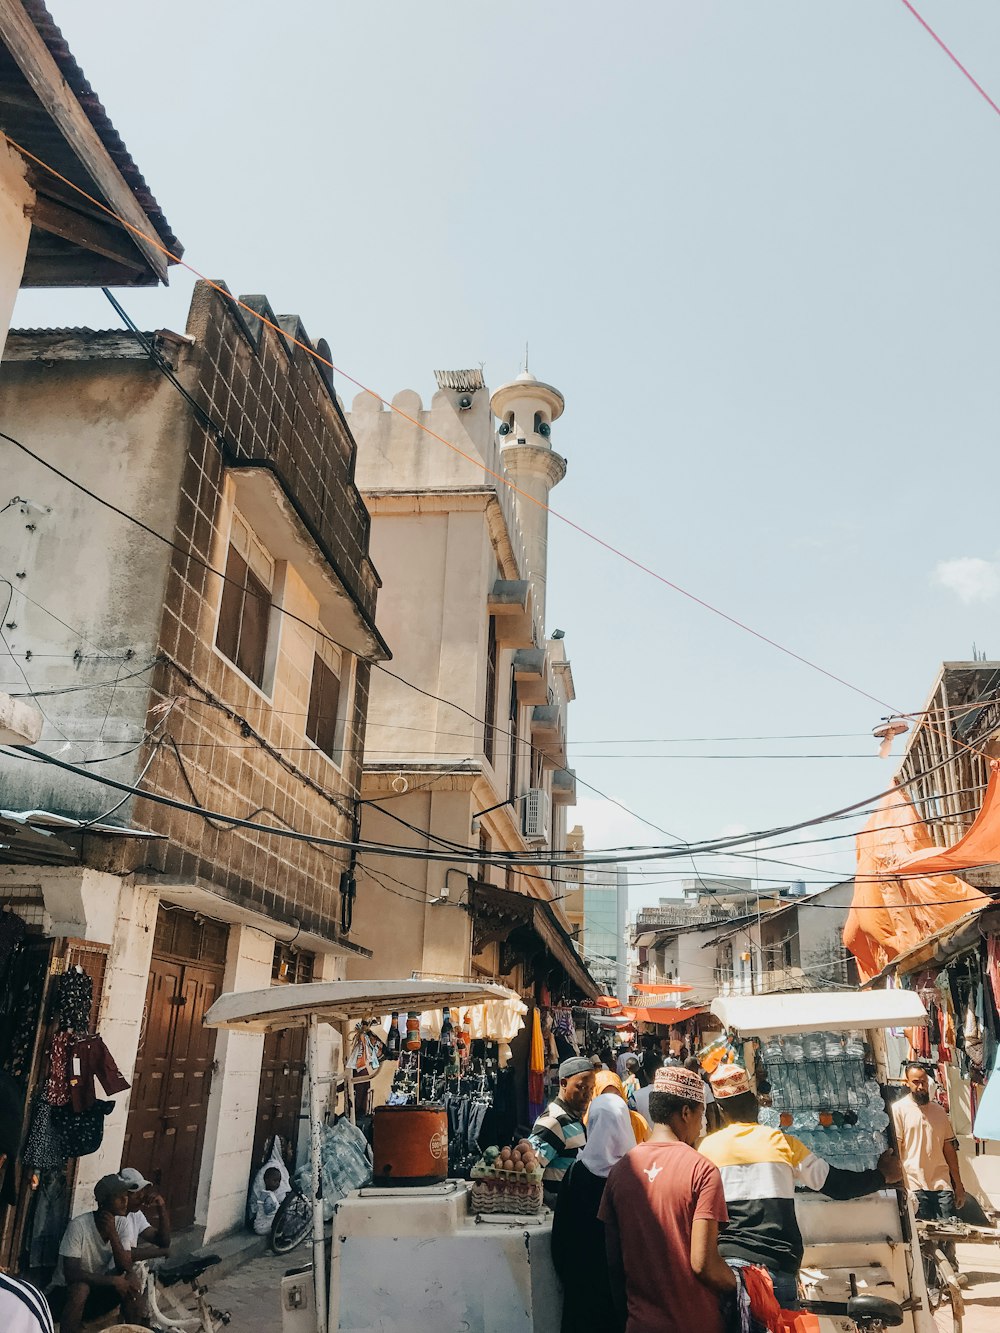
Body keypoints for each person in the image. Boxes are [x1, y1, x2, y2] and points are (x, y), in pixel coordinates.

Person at [699, 1064, 902, 1309]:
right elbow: (837, 1186)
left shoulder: (707, 1150)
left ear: (721, 1109)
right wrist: (882, 1175)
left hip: (728, 1268)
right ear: (754, 1102)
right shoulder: (782, 1143)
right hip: (776, 1264)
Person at [599, 1066, 735, 1333]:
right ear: (686, 1113)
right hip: (696, 1324)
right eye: (701, 1115)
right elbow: (703, 1264)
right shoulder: (702, 1170)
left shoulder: (621, 1171)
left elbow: (613, 1263)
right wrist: (738, 1283)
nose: (701, 1125)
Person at [551, 1092, 635, 1333]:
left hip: (582, 1293)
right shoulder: (635, 1176)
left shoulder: (575, 1175)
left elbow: (560, 1241)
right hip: (625, 1296)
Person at [892, 1062, 967, 1274]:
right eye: (915, 1082)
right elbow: (897, 1151)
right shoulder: (898, 1110)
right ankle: (931, 1281)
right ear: (907, 1083)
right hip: (915, 1183)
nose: (920, 1086)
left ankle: (951, 1273)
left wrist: (958, 1184)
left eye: (923, 1082)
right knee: (924, 1237)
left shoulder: (939, 1112)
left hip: (941, 1182)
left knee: (949, 1232)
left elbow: (949, 1150)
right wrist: (902, 1186)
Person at [48, 1174, 146, 1333]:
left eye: (125, 1196)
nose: (125, 1201)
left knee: (132, 1278)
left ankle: (136, 1329)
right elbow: (71, 1274)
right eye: (118, 1197)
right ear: (103, 1202)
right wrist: (113, 1280)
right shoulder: (78, 1226)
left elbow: (125, 1265)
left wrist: (113, 1234)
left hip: (96, 1292)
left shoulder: (122, 1224)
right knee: (81, 1288)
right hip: (63, 1295)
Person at [530, 1056, 596, 1202]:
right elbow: (529, 1173)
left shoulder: (572, 1120)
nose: (588, 1095)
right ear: (563, 1083)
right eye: (582, 1087)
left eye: (591, 1089)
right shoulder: (553, 1121)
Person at [118, 1166, 171, 1261]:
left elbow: (163, 1241)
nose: (141, 1196)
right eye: (135, 1192)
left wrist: (161, 1208)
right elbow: (125, 1254)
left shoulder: (135, 1215)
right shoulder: (113, 1217)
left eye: (142, 1190)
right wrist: (160, 1252)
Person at [592, 1070, 649, 1146]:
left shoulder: (637, 1121)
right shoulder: (589, 1125)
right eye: (606, 1098)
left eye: (617, 1096)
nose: (613, 1102)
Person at [248, 1166, 286, 1236]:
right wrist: (276, 1208)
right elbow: (268, 1211)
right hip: (263, 1227)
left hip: (263, 1224)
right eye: (274, 1181)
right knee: (282, 1220)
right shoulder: (267, 1196)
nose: (277, 1183)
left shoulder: (268, 1194)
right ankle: (278, 1237)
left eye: (279, 1181)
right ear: (266, 1180)